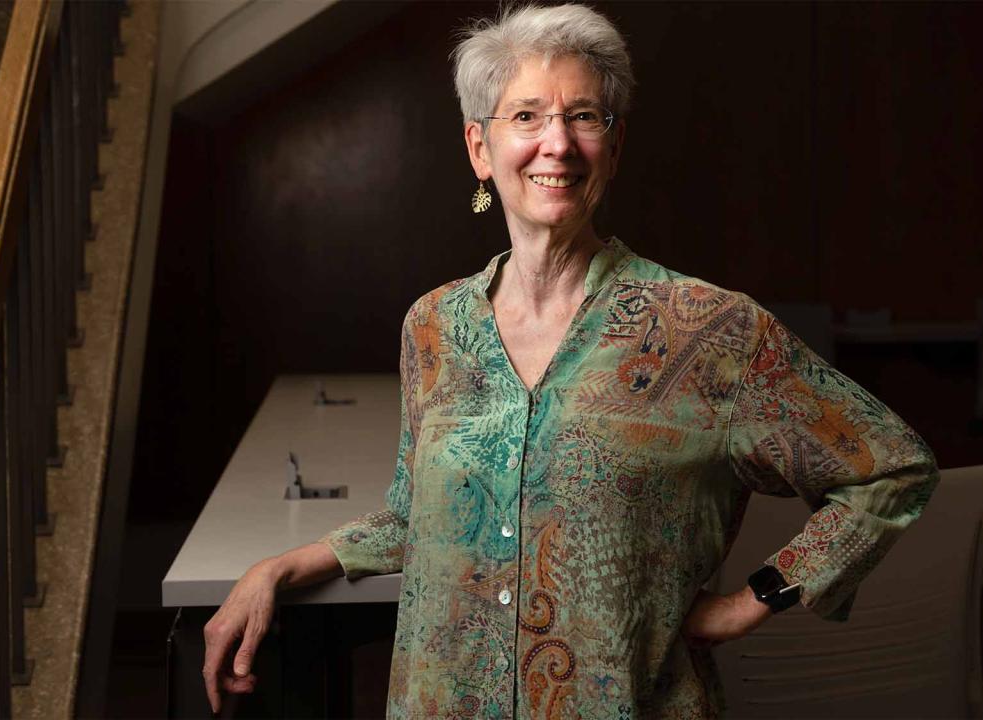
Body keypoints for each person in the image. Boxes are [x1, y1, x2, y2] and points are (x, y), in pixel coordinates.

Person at [202, 4, 940, 718]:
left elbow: (890, 466)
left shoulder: (709, 330)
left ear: (613, 150)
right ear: (479, 149)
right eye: (526, 116)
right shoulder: (434, 326)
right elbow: (416, 515)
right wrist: (280, 568)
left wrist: (758, 599)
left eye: (584, 117)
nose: (557, 142)